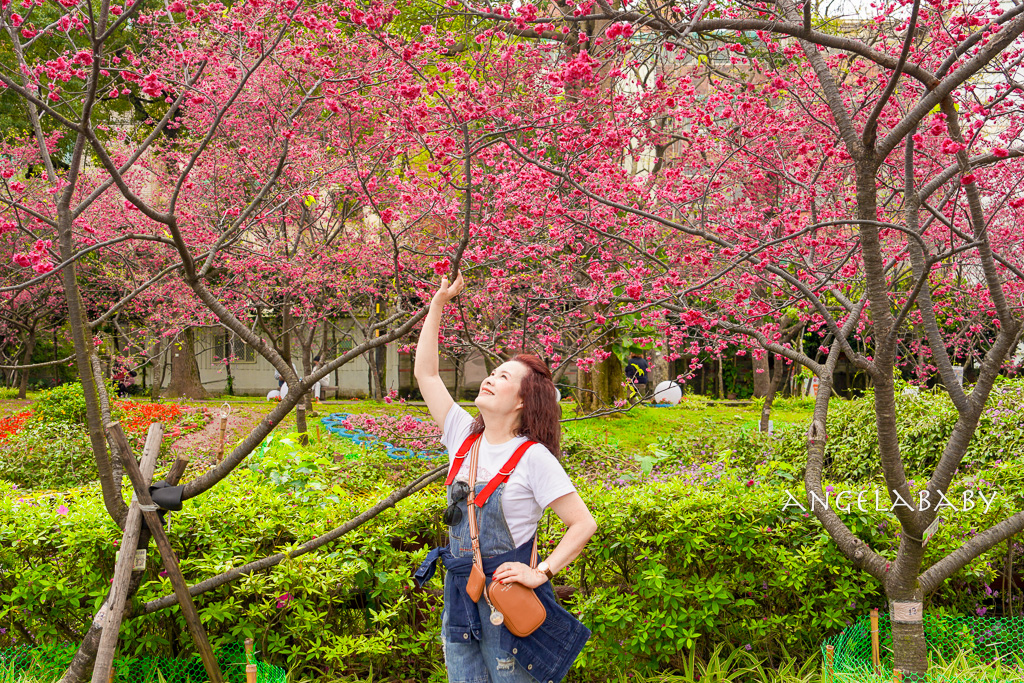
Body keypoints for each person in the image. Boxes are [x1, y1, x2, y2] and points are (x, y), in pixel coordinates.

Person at [413, 273, 597, 683]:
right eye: (491, 372)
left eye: (502, 377)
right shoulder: (463, 435)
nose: (490, 378)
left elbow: (583, 523)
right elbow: (426, 375)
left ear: (521, 401)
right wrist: (437, 305)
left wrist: (542, 571)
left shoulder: (532, 457)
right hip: (460, 597)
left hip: (508, 601)